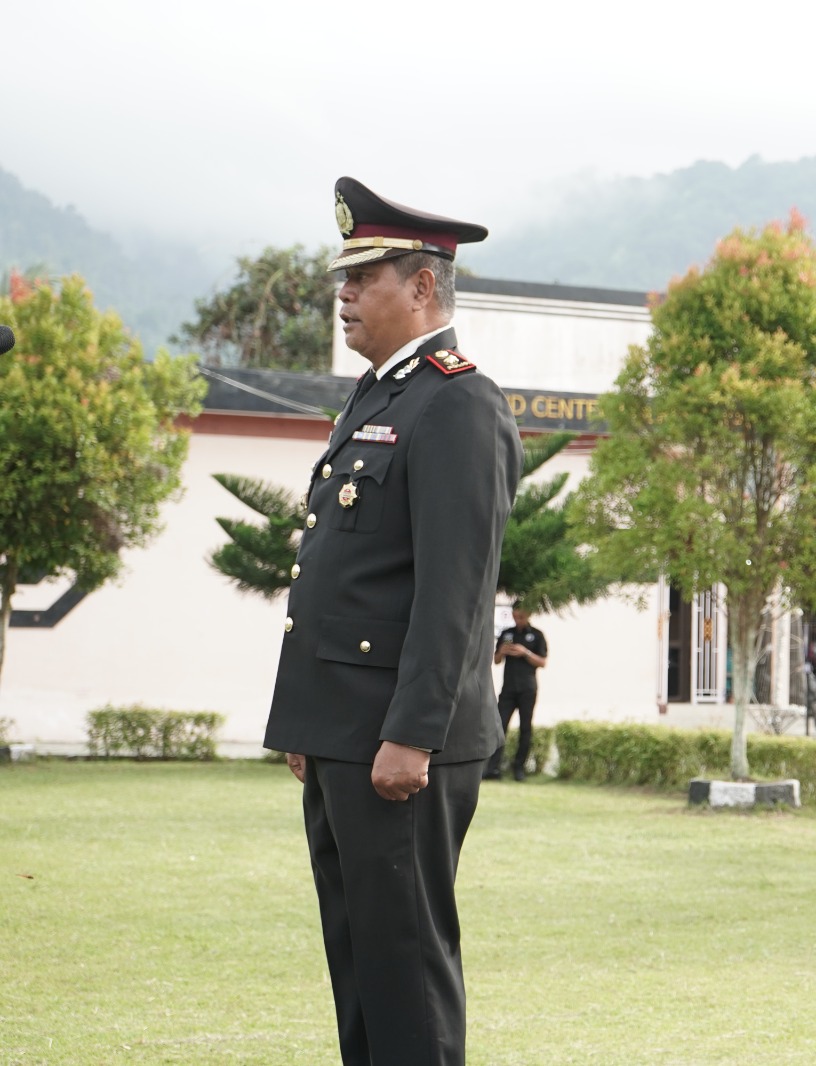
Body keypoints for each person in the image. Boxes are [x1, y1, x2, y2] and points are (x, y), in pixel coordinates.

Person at [264, 177, 521, 1066]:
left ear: (421, 287)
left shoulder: (456, 402)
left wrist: (409, 735)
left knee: (405, 967)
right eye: (342, 278)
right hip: (344, 733)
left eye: (360, 277)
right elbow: (343, 578)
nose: (342, 294)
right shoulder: (376, 399)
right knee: (361, 963)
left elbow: (456, 592)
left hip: (401, 747)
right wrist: (310, 724)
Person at [485, 604, 547, 781]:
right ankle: (493, 768)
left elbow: (542, 662)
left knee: (525, 728)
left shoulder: (537, 635)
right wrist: (502, 652)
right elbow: (496, 661)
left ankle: (519, 769)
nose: (517, 619)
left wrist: (525, 652)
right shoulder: (507, 634)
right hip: (508, 689)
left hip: (528, 688)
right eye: (515, 616)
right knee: (499, 727)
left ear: (528, 614)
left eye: (520, 616)